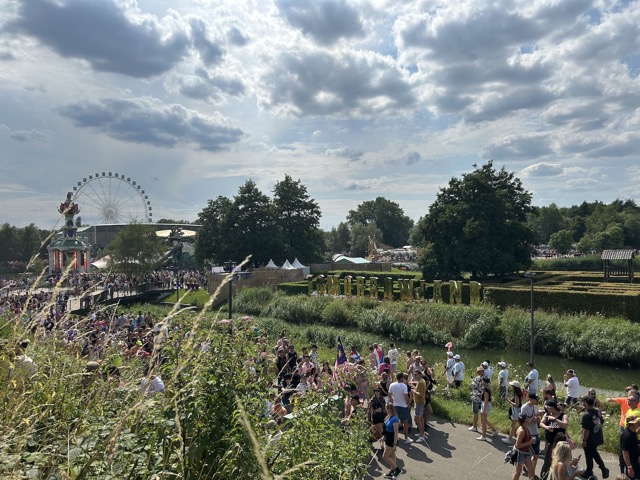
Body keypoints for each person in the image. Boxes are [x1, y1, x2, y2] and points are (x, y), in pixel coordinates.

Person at [580, 395, 609, 479]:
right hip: (597, 436)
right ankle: (602, 468)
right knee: (593, 453)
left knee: (589, 455)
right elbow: (601, 422)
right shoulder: (597, 412)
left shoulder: (586, 415)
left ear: (585, 403)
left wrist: (584, 440)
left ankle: (589, 471)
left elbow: (586, 430)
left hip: (590, 438)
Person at [540, 400, 568, 479]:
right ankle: (543, 477)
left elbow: (565, 425)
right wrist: (547, 427)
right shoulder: (547, 414)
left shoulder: (563, 415)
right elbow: (541, 423)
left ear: (552, 408)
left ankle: (556, 477)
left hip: (560, 443)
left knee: (558, 462)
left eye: (547, 407)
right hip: (550, 441)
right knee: (547, 462)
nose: (546, 409)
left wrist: (555, 420)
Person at [521, 393, 542, 475]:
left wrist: (537, 419)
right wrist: (534, 418)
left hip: (535, 432)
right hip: (529, 433)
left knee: (535, 455)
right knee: (534, 454)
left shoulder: (535, 407)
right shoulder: (524, 408)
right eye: (536, 399)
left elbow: (537, 420)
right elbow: (526, 422)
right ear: (530, 399)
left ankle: (530, 470)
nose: (537, 401)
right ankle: (530, 472)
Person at [388, 372, 412, 443]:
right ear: (402, 378)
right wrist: (407, 403)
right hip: (403, 406)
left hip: (395, 405)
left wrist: (392, 401)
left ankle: (395, 437)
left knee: (396, 421)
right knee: (405, 422)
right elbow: (406, 396)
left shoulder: (392, 385)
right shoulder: (404, 386)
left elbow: (389, 395)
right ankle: (406, 438)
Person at [513, 413, 537, 480]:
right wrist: (530, 442)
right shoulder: (522, 431)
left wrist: (533, 452)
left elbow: (528, 441)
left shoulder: (526, 427)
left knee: (531, 472)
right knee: (518, 472)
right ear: (525, 420)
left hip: (526, 452)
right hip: (519, 453)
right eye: (528, 417)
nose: (529, 418)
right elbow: (518, 445)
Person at [381, 403, 401, 479]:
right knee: (392, 455)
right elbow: (386, 429)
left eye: (386, 408)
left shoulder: (395, 419)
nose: (385, 409)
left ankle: (397, 469)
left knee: (385, 456)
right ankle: (392, 471)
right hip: (388, 438)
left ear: (390, 409)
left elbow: (396, 432)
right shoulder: (389, 417)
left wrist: (395, 444)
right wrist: (383, 437)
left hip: (391, 440)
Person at [477, 376, 499, 441]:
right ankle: (494, 430)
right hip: (485, 404)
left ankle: (483, 436)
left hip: (485, 405)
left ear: (483, 382)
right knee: (484, 420)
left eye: (482, 381)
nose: (481, 382)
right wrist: (481, 395)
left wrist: (484, 410)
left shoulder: (486, 390)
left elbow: (486, 400)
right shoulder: (486, 389)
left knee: (483, 421)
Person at [620, 414, 640, 479]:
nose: (638, 423)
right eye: (637, 422)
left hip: (635, 461)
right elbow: (625, 452)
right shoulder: (627, 435)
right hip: (629, 463)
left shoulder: (633, 431)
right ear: (632, 424)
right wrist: (629, 467)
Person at [411, 370, 427, 443]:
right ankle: (422, 433)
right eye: (414, 374)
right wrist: (414, 387)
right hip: (421, 402)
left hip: (419, 403)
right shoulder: (422, 381)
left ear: (420, 374)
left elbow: (420, 394)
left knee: (418, 419)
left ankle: (421, 435)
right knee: (421, 418)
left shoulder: (420, 383)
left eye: (416, 375)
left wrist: (413, 391)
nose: (414, 376)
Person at [468, 366, 484, 433]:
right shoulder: (486, 378)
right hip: (483, 397)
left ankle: (474, 426)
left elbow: (473, 386)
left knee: (475, 412)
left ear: (478, 372)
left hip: (476, 397)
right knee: (482, 413)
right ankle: (483, 426)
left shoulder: (477, 378)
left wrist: (472, 381)